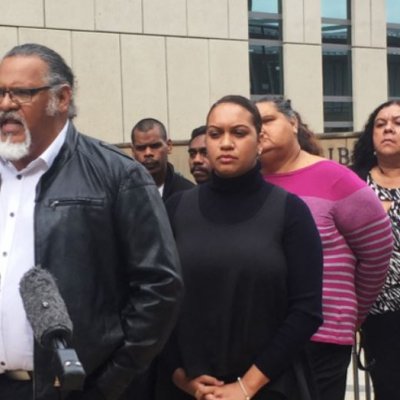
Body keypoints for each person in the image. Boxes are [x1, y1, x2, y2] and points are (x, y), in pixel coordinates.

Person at [0, 43, 183, 400]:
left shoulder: (117, 176)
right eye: (0, 93)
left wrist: (110, 380)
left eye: (21, 93)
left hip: (72, 390)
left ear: (62, 98)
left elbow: (160, 288)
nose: (5, 104)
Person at [156, 94, 324, 400]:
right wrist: (179, 375)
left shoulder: (290, 211)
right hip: (188, 387)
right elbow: (157, 297)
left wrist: (246, 386)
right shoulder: (176, 209)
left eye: (239, 133)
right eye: (215, 133)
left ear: (259, 141)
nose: (226, 143)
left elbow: (307, 310)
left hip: (270, 386)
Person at [255, 96, 393, 400]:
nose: (259, 130)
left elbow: (378, 250)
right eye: (253, 125)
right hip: (261, 339)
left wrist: (351, 312)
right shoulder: (249, 184)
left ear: (292, 123)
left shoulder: (335, 178)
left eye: (267, 120)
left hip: (323, 334)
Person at [352, 100, 400, 400]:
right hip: (378, 312)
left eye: (396, 122)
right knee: (389, 388)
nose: (388, 129)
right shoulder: (354, 183)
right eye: (380, 124)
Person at [131, 118, 194, 200]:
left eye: (155, 146)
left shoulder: (188, 194)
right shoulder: (122, 195)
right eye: (141, 148)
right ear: (133, 151)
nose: (148, 153)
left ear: (169, 146)